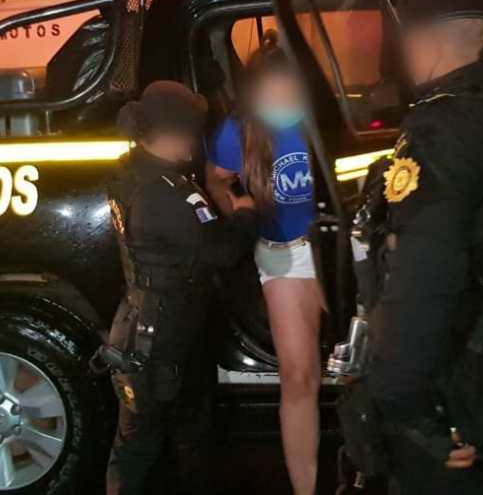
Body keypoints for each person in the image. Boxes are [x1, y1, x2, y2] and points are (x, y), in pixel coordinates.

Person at [369, 0, 483, 494]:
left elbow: (424, 281)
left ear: (428, 40)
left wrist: (404, 406)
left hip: (459, 400)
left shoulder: (438, 133)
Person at [100, 80, 258, 495]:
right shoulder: (169, 193)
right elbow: (223, 250)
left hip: (142, 322)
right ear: (174, 134)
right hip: (169, 334)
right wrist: (245, 213)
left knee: (141, 439)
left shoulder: (128, 173)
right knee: (167, 440)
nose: (194, 142)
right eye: (191, 132)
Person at [207, 37, 323, 495]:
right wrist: (240, 216)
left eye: (289, 86)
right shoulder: (239, 130)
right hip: (282, 252)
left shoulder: (322, 117)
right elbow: (217, 177)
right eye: (273, 88)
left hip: (337, 246)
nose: (282, 97)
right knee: (298, 377)